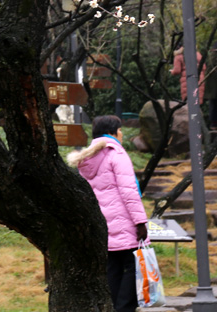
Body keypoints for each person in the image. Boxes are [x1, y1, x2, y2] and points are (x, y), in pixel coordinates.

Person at [68, 115, 149, 312]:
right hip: (125, 222)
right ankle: (124, 308)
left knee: (113, 268)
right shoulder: (116, 154)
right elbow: (129, 192)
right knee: (134, 265)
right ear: (112, 132)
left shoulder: (87, 158)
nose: (121, 134)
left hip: (104, 224)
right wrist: (140, 222)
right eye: (120, 130)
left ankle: (113, 307)